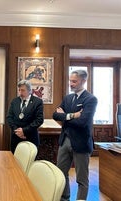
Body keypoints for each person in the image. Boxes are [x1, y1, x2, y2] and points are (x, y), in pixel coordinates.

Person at [52, 69, 98, 201]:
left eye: (74, 81)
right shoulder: (68, 98)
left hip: (81, 143)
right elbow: (55, 115)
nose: (70, 84)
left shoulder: (90, 99)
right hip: (64, 141)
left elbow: (83, 122)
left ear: (83, 81)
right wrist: (73, 115)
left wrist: (65, 117)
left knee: (81, 179)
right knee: (61, 174)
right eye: (70, 81)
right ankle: (64, 198)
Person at [6, 79, 44, 153]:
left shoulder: (37, 102)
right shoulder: (15, 101)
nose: (20, 93)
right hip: (16, 138)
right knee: (14, 162)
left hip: (30, 137)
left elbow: (39, 120)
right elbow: (9, 117)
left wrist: (24, 131)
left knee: (29, 162)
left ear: (29, 91)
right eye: (19, 90)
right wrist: (17, 131)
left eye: (23, 90)